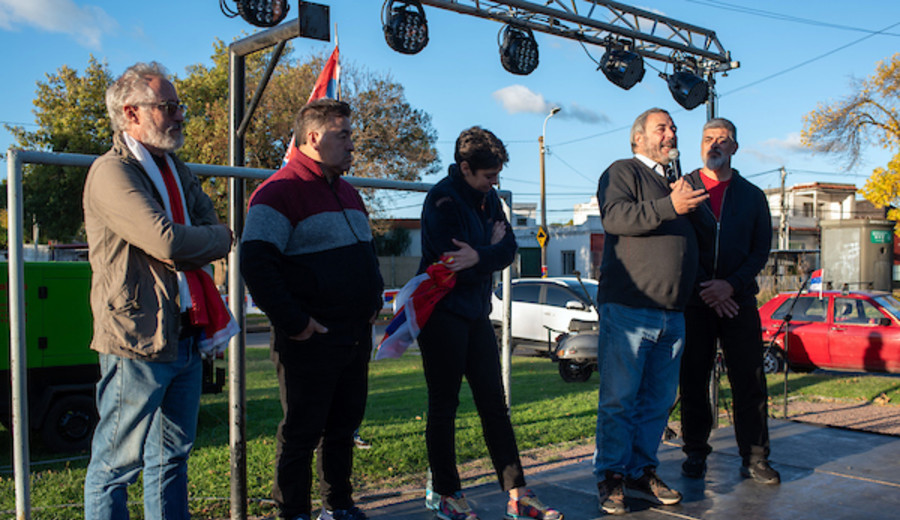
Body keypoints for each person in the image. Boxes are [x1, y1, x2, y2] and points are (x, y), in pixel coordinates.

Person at [83, 61, 234, 519]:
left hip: (186, 334)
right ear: (130, 113)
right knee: (115, 466)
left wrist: (203, 239)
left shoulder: (174, 167)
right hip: (138, 340)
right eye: (168, 107)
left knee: (171, 459)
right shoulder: (112, 172)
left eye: (178, 105)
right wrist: (206, 240)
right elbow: (166, 240)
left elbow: (215, 230)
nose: (179, 115)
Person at [241, 98, 383, 520]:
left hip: (354, 336)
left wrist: (370, 304)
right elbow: (256, 264)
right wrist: (296, 323)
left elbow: (365, 260)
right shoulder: (278, 192)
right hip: (311, 338)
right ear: (313, 137)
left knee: (343, 428)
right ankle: (294, 512)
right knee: (302, 432)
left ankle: (338, 505)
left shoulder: (348, 192)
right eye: (344, 135)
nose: (352, 145)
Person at [417, 127, 562, 520]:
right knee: (444, 406)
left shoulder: (490, 199)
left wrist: (481, 253)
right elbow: (452, 264)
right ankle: (446, 492)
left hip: (477, 314)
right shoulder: (442, 200)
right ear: (465, 168)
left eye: (497, 175)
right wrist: (489, 249)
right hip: (442, 315)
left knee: (494, 406)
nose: (493, 183)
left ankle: (517, 493)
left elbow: (509, 249)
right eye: (487, 176)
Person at [593, 108, 708, 515]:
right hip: (629, 307)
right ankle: (611, 477)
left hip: (673, 310)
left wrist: (688, 197)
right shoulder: (622, 171)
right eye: (662, 127)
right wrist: (670, 204)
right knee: (620, 399)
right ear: (638, 138)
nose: (671, 133)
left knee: (658, 402)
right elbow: (616, 217)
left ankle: (641, 471)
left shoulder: (675, 180)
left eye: (674, 127)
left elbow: (706, 231)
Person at [679, 118, 780, 484]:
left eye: (723, 140)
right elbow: (678, 246)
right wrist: (708, 287)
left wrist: (730, 286)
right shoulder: (682, 188)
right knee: (692, 379)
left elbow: (760, 250)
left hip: (739, 302)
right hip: (695, 301)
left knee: (749, 380)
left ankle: (755, 458)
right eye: (708, 139)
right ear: (700, 144)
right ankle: (694, 452)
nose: (715, 145)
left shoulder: (753, 196)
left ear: (735, 148)